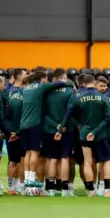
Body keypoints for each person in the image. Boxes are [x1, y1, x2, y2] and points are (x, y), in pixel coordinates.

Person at [57, 74, 110, 197]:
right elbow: (108, 118)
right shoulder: (102, 97)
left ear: (82, 83)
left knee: (87, 161)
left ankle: (91, 190)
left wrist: (62, 129)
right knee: (106, 160)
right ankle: (107, 190)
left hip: (84, 132)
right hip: (99, 134)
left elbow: (69, 114)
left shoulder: (78, 97)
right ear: (94, 82)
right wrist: (95, 131)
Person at [19, 71, 66, 187]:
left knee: (27, 153)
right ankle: (31, 178)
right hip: (34, 123)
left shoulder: (26, 89)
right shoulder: (41, 86)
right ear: (43, 79)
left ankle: (27, 179)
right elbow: (59, 84)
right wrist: (67, 82)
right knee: (35, 152)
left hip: (23, 124)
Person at [41, 68, 69, 196]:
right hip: (66, 129)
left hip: (49, 129)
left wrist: (55, 125)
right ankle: (64, 190)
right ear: (63, 77)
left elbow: (44, 114)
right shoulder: (69, 90)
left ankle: (50, 189)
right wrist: (62, 126)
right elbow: (71, 111)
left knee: (51, 158)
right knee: (64, 158)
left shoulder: (47, 92)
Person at [3, 72, 25, 195]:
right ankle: (20, 187)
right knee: (21, 160)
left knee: (13, 160)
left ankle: (12, 187)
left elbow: (6, 115)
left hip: (11, 131)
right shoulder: (25, 94)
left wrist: (9, 130)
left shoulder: (7, 92)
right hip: (21, 131)